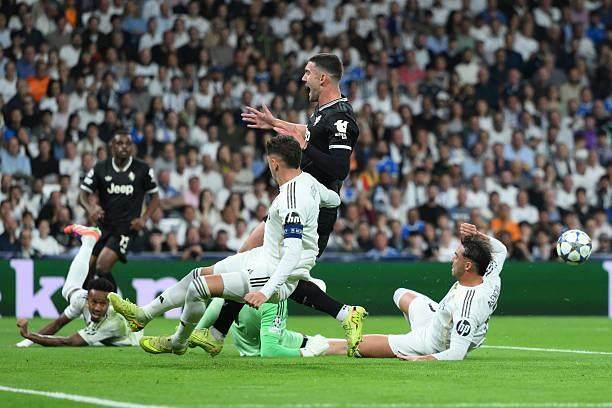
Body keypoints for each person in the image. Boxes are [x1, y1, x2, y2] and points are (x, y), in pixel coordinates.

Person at [108, 136, 345, 356]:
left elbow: (292, 253)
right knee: (197, 274)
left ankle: (177, 342)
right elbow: (334, 199)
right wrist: (315, 202)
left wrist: (265, 292)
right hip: (262, 256)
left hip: (270, 271)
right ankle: (143, 315)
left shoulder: (291, 199)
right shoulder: (307, 183)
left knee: (199, 288)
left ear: (274, 163)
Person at [205, 53, 365, 357]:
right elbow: (307, 133)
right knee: (251, 257)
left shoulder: (341, 118)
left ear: (323, 78)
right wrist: (274, 123)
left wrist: (305, 146)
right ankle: (216, 332)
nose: (303, 79)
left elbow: (340, 168)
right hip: (295, 199)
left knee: (278, 274)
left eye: (307, 73)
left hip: (314, 210)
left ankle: (216, 331)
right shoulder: (322, 112)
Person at [325, 223, 507, 361]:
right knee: (401, 294)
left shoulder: (467, 306)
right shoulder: (489, 275)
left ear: (467, 266)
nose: (452, 259)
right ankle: (414, 336)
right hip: (435, 321)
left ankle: (314, 345)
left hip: (433, 344)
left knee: (355, 345)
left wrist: (421, 359)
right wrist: (477, 236)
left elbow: (457, 354)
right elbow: (501, 250)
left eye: (456, 256)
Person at [16, 225, 142, 347]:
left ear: (109, 303)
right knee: (68, 291)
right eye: (94, 302)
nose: (97, 308)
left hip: (130, 340)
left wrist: (29, 335)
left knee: (70, 290)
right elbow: (58, 324)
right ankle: (89, 238)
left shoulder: (113, 322)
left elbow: (68, 342)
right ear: (87, 298)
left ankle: (89, 240)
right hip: (102, 336)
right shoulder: (82, 299)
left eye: (102, 303)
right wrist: (27, 341)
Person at [79, 129, 159, 289]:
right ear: (112, 146)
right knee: (87, 269)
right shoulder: (101, 168)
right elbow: (82, 193)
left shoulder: (142, 169)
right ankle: (91, 303)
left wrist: (144, 219)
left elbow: (155, 197)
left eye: (128, 143)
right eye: (120, 143)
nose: (124, 147)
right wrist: (90, 209)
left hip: (126, 228)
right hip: (104, 226)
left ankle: (116, 302)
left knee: (102, 267)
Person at [189, 278, 329, 358]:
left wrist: (184, 337)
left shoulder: (237, 287)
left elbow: (197, 332)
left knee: (327, 344)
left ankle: (185, 337)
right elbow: (269, 351)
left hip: (250, 341)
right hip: (269, 343)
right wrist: (308, 353)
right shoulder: (277, 301)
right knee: (322, 345)